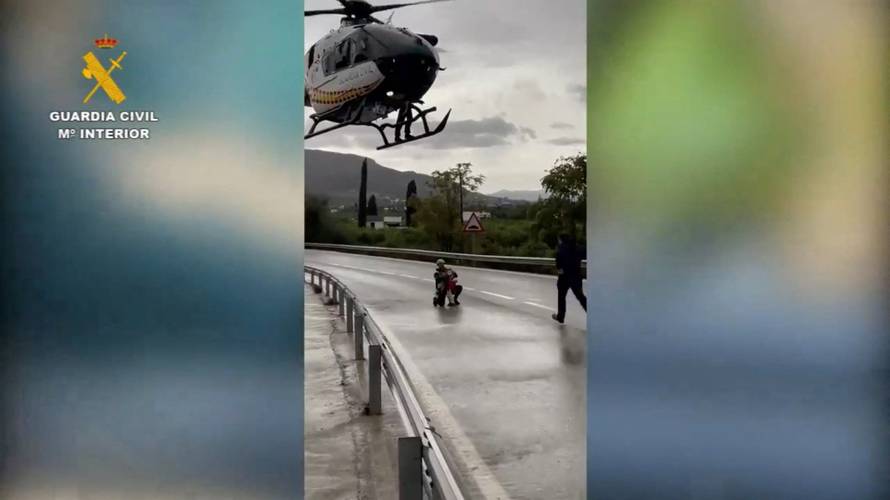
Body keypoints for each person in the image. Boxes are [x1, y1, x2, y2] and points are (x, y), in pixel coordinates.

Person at [552, 233, 586, 323]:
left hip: (564, 278)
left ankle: (561, 316)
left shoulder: (560, 249)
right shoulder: (577, 248)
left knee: (561, 297)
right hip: (576, 276)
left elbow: (559, 266)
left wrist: (560, 271)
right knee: (581, 297)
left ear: (561, 240)